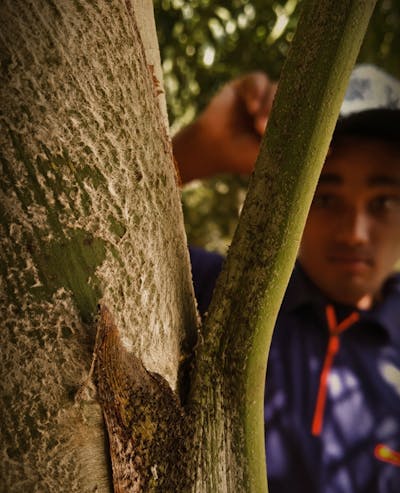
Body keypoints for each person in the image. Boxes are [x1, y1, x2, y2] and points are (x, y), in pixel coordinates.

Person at [173, 65, 400, 492]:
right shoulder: (220, 293)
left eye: (384, 201)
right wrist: (200, 150)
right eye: (325, 196)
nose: (354, 232)